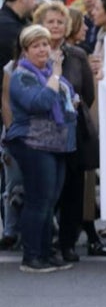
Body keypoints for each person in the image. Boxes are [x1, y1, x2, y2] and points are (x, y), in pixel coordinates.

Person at [31, 1, 106, 263]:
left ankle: (68, 244)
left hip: (73, 132)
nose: (56, 26)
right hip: (41, 134)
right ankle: (42, 246)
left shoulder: (76, 55)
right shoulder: (31, 53)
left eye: (60, 22)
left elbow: (87, 93)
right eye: (50, 21)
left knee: (73, 191)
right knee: (47, 192)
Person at [4, 25, 77, 272]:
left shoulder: (47, 72)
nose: (43, 49)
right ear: (25, 51)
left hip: (56, 145)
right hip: (32, 144)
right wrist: (56, 75)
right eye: (36, 45)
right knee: (38, 200)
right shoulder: (22, 75)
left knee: (50, 201)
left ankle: (45, 252)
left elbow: (68, 97)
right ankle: (32, 255)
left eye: (45, 44)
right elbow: (40, 102)